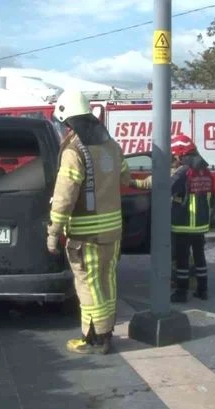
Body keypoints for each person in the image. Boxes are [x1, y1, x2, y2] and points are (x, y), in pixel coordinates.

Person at [46, 89, 131, 355]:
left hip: (85, 236)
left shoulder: (74, 151)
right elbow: (125, 178)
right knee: (107, 280)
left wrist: (53, 233)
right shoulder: (111, 145)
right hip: (113, 232)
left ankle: (96, 338)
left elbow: (64, 196)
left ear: (67, 121)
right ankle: (104, 333)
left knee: (88, 285)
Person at [140, 134, 215, 303]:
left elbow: (167, 188)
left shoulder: (183, 171)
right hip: (200, 224)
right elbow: (213, 197)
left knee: (182, 260)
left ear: (181, 154)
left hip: (183, 223)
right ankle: (202, 290)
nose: (174, 158)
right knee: (199, 258)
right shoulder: (206, 171)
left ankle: (181, 292)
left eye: (174, 155)